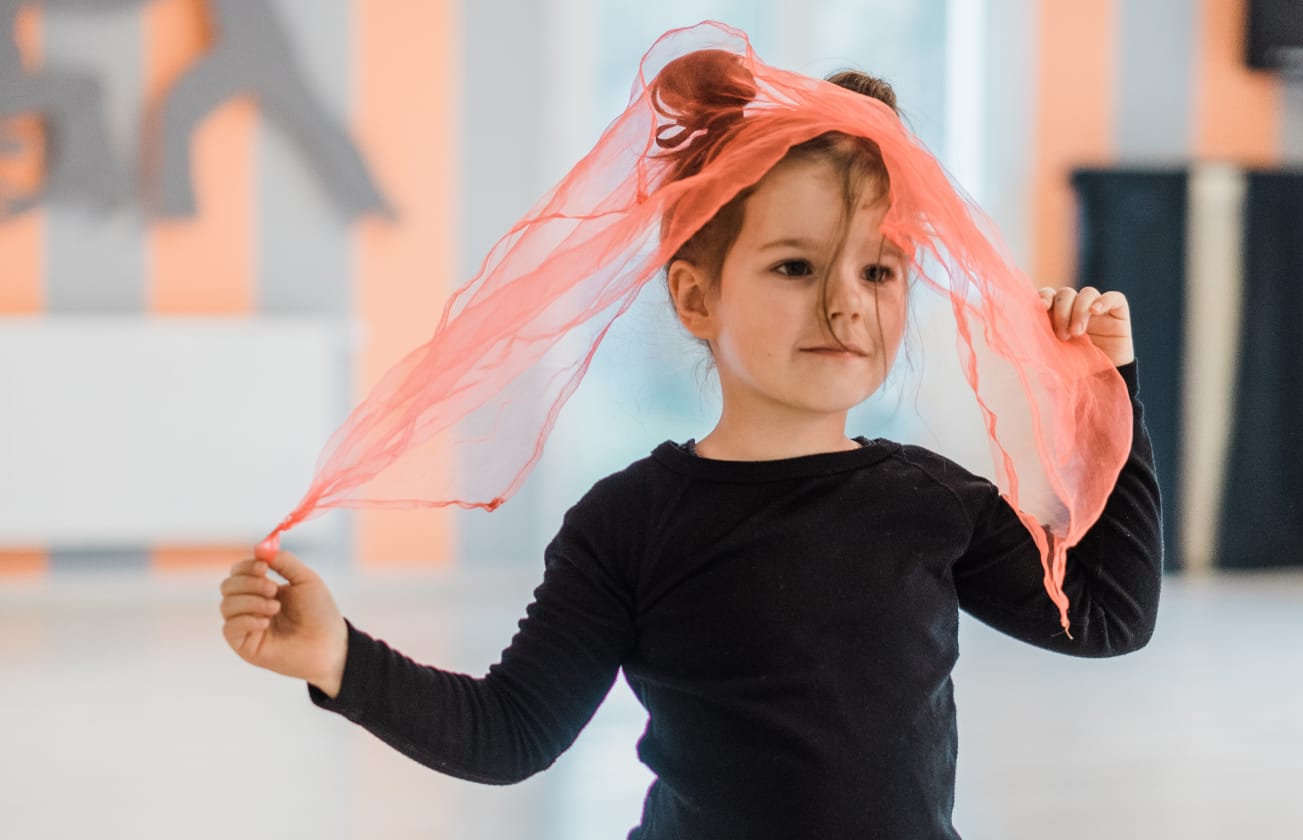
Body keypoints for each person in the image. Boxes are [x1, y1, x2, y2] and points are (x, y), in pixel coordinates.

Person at [219, 30, 1161, 840]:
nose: (844, 304)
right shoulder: (628, 522)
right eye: (795, 266)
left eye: (878, 271)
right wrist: (336, 656)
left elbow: (1111, 618)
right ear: (696, 295)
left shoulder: (928, 501)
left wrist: (1103, 387)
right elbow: (510, 733)